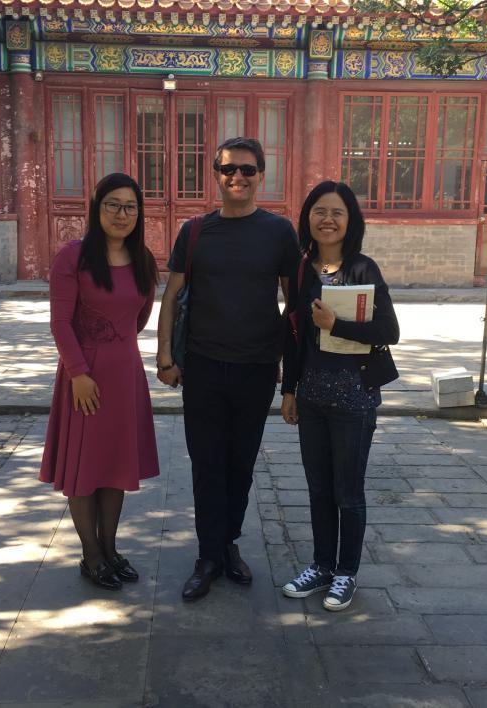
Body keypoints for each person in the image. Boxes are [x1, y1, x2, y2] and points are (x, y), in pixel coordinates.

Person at [157, 137, 300, 601]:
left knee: (240, 464)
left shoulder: (279, 232)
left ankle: (229, 544)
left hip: (256, 369)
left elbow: (293, 300)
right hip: (201, 367)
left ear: (261, 175)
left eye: (247, 169)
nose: (237, 177)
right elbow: (172, 297)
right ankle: (208, 554)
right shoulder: (195, 231)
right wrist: (164, 356)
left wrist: (278, 350)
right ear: (214, 174)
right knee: (206, 463)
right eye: (227, 169)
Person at [279, 181, 400, 611]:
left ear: (351, 222)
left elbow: (390, 332)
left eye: (337, 213)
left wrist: (337, 325)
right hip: (311, 397)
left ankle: (346, 572)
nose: (327, 220)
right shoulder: (299, 270)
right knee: (317, 489)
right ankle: (321, 566)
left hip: (354, 398)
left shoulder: (364, 270)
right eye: (319, 212)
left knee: (347, 491)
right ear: (307, 218)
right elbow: (293, 336)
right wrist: (288, 389)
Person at [39, 173, 161, 591]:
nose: (121, 214)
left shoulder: (142, 258)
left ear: (138, 213)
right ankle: (90, 555)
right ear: (97, 207)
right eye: (112, 204)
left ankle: (110, 548)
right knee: (85, 468)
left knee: (115, 465)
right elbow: (59, 322)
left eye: (130, 206)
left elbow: (140, 318)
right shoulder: (73, 257)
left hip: (125, 376)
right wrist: (78, 373)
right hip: (84, 379)